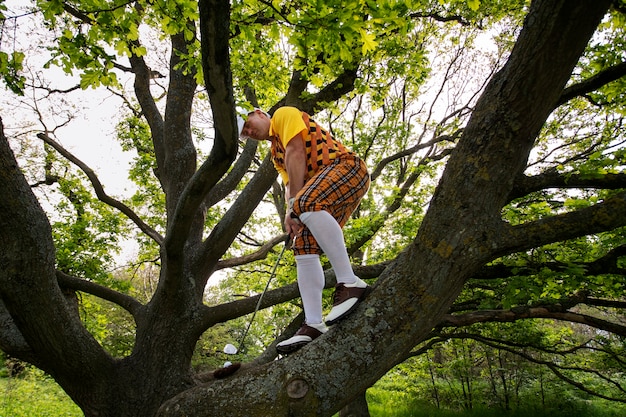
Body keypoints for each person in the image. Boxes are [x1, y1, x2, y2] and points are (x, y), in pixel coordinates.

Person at [238, 106, 371, 353]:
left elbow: (296, 152)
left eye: (247, 124)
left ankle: (350, 281)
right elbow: (290, 183)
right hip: (324, 191)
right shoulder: (275, 154)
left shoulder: (283, 115)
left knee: (306, 202)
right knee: (302, 244)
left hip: (348, 169)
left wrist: (295, 204)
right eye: (245, 133)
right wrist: (290, 214)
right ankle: (313, 324)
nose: (249, 131)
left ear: (258, 113)